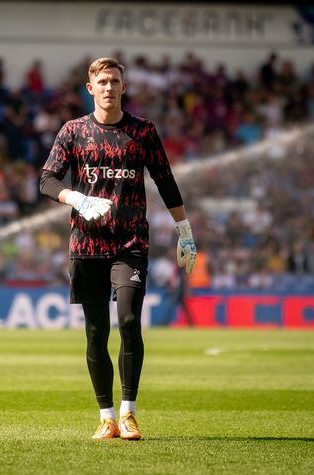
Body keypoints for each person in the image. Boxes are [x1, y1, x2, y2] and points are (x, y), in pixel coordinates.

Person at [39, 57, 197, 441]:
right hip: (86, 245)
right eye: (102, 81)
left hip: (130, 243)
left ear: (124, 87)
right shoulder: (73, 131)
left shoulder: (143, 132)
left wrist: (185, 231)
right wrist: (75, 198)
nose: (109, 87)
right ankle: (106, 416)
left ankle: (129, 413)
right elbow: (46, 180)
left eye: (115, 81)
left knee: (128, 321)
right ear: (90, 88)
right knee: (96, 333)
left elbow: (165, 180)